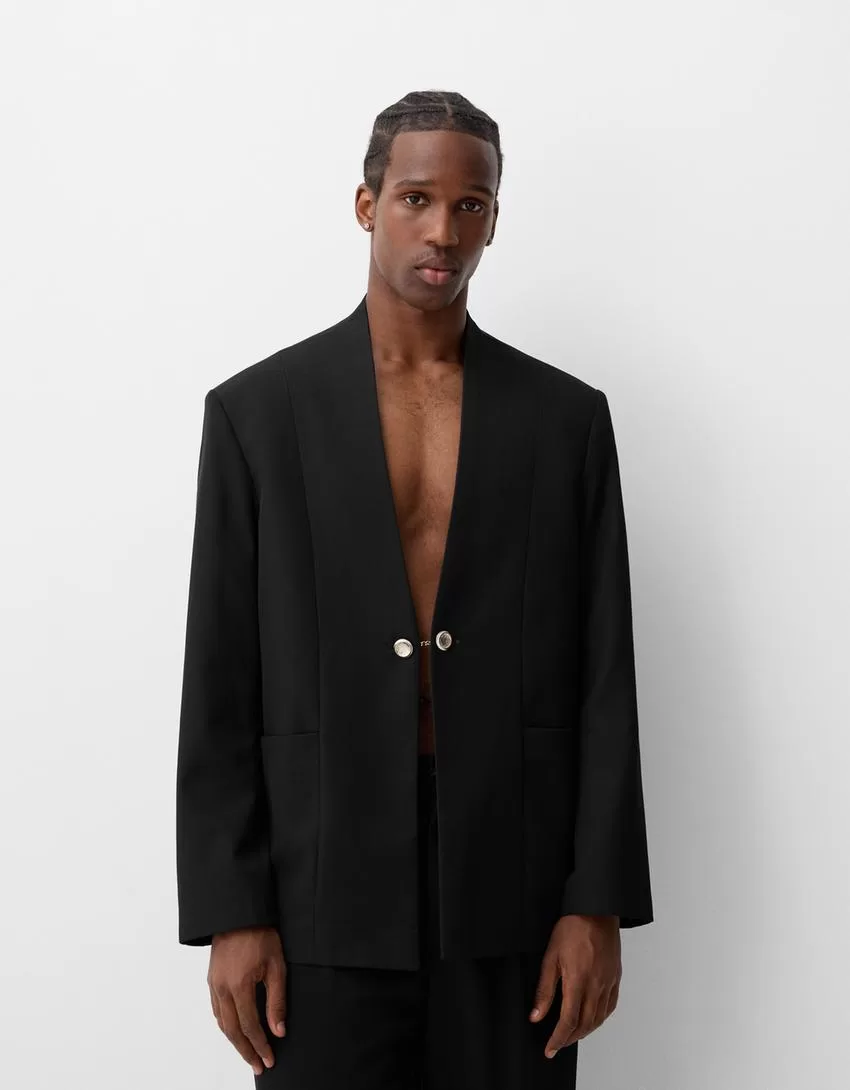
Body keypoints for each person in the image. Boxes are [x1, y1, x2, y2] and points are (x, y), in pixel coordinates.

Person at [176, 89, 653, 1089]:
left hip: (514, 883)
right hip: (318, 884)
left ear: (494, 219)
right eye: (416, 198)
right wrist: (232, 908)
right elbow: (219, 675)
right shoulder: (259, 415)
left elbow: (604, 672)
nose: (443, 230)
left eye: (471, 204)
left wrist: (595, 899)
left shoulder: (564, 421)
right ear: (367, 205)